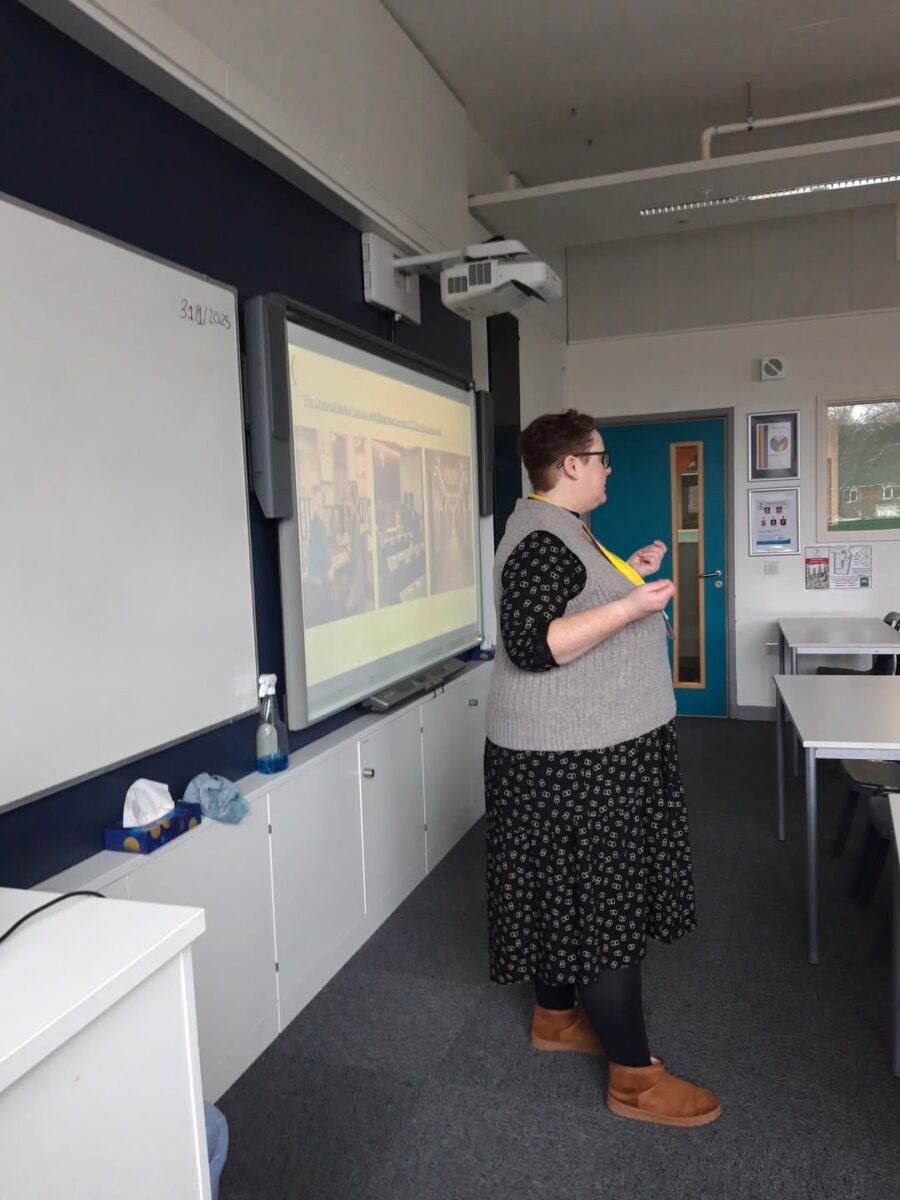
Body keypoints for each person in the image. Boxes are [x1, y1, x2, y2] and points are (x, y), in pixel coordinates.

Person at [484, 409, 720, 1128]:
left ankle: (555, 1018)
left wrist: (627, 580)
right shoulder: (540, 541)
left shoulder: (559, 531)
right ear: (572, 465)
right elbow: (534, 642)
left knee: (564, 891)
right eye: (602, 457)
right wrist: (632, 610)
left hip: (578, 756)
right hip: (576, 767)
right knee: (605, 905)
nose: (610, 467)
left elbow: (569, 604)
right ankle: (633, 1079)